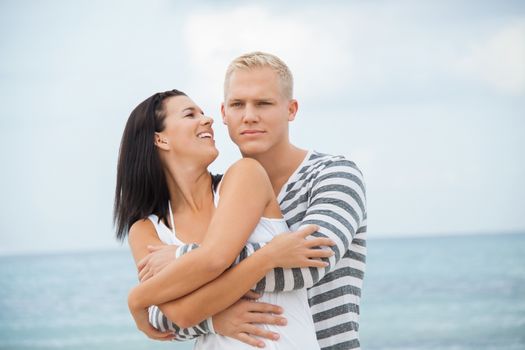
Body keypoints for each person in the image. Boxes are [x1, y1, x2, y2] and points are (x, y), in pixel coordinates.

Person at [139, 52, 368, 349]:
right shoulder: (220, 195)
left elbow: (306, 268)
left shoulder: (334, 175)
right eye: (237, 104)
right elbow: (161, 313)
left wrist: (184, 259)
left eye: (263, 103)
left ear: (291, 109)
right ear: (223, 113)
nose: (249, 115)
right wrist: (213, 319)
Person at [114, 89, 335, 349]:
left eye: (203, 113)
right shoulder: (145, 231)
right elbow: (180, 313)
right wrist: (268, 257)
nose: (207, 119)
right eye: (190, 114)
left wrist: (140, 297)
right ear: (160, 140)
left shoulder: (245, 175)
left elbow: (215, 260)